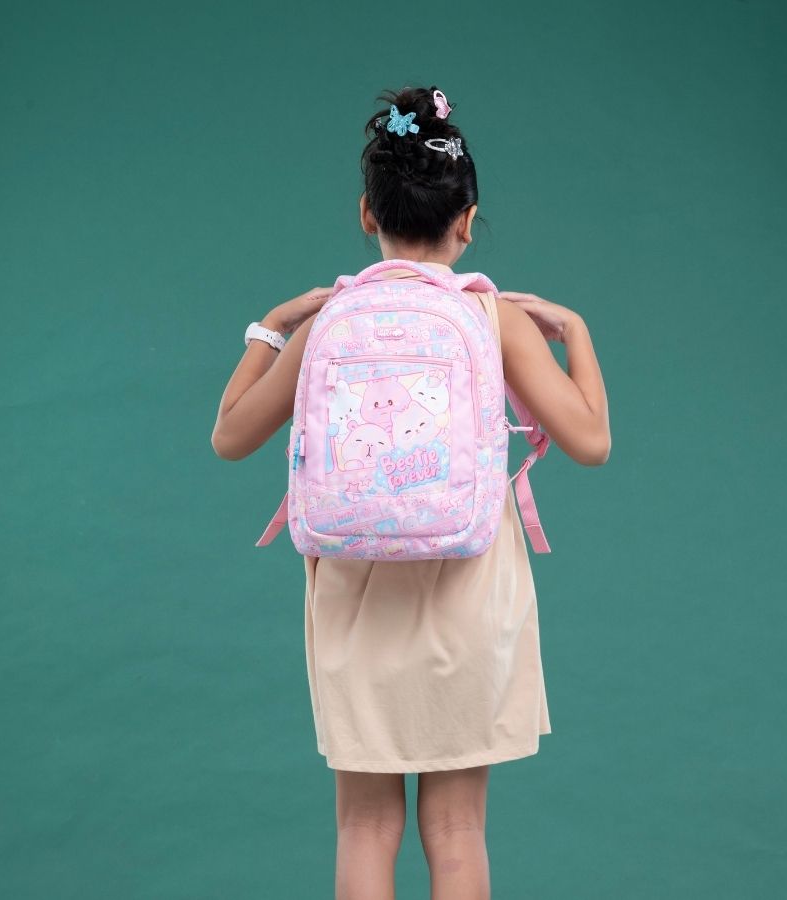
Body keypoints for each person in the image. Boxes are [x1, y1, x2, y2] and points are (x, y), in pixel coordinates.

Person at [211, 85, 610, 900]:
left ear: (368, 214)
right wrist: (576, 331)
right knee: (458, 832)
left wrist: (271, 326)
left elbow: (230, 436)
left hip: (354, 592)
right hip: (470, 582)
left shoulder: (329, 320)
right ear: (467, 220)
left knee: (364, 828)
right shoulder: (492, 317)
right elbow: (591, 443)